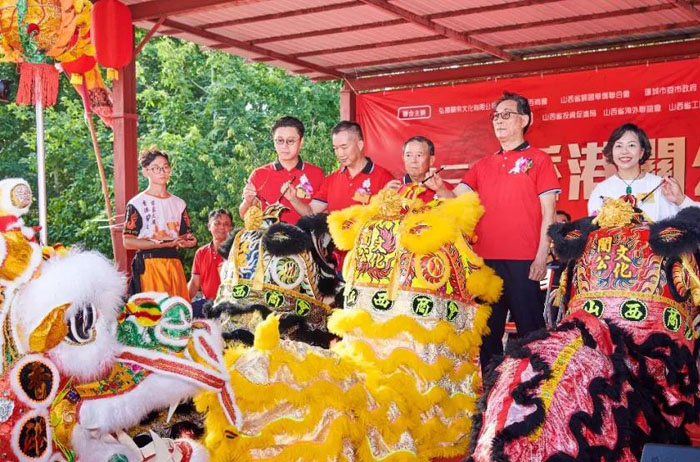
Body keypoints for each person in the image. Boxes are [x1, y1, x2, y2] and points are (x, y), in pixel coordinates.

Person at [451, 91, 560, 374]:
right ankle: (492, 389)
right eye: (496, 116)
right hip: (486, 263)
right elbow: (454, 199)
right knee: (488, 335)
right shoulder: (482, 165)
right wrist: (435, 188)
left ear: (524, 120)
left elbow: (549, 213)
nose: (499, 121)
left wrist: (541, 256)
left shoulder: (539, 160)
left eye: (506, 115)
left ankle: (535, 388)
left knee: (531, 333)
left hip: (525, 261)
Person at [123, 149, 197, 299]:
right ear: (145, 171)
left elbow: (182, 236)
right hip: (150, 265)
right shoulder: (137, 203)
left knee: (178, 308)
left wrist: (187, 241)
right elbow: (128, 241)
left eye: (165, 167)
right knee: (155, 310)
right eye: (156, 168)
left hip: (174, 264)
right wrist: (158, 244)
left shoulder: (179, 203)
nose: (162, 172)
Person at [588, 123, 698, 221]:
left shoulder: (660, 186)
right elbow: (593, 230)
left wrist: (680, 199)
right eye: (619, 146)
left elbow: (694, 221)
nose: (624, 151)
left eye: (631, 145)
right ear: (612, 152)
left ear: (641, 152)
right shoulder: (602, 190)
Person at [285, 121, 394, 214]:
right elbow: (311, 212)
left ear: (360, 145)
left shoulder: (384, 178)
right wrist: (293, 199)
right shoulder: (331, 180)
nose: (340, 154)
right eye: (335, 148)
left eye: (344, 147)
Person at [239, 116, 325, 224]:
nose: (284, 146)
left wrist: (294, 199)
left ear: (301, 142)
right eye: (280, 141)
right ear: (274, 142)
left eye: (290, 141)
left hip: (305, 234)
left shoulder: (317, 174)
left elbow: (321, 216)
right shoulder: (259, 174)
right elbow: (244, 215)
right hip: (270, 234)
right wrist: (248, 201)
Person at [188, 208, 233, 317]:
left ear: (231, 228)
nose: (221, 227)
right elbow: (194, 283)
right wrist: (181, 301)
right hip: (208, 303)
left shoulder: (236, 251)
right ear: (209, 226)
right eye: (217, 223)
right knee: (186, 314)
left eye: (226, 224)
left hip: (230, 303)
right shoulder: (201, 252)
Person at [385, 135, 453, 201]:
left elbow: (456, 206)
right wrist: (384, 197)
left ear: (431, 160)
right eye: (408, 155)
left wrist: (441, 191)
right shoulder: (393, 188)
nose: (413, 160)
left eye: (419, 155)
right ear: (403, 158)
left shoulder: (444, 188)